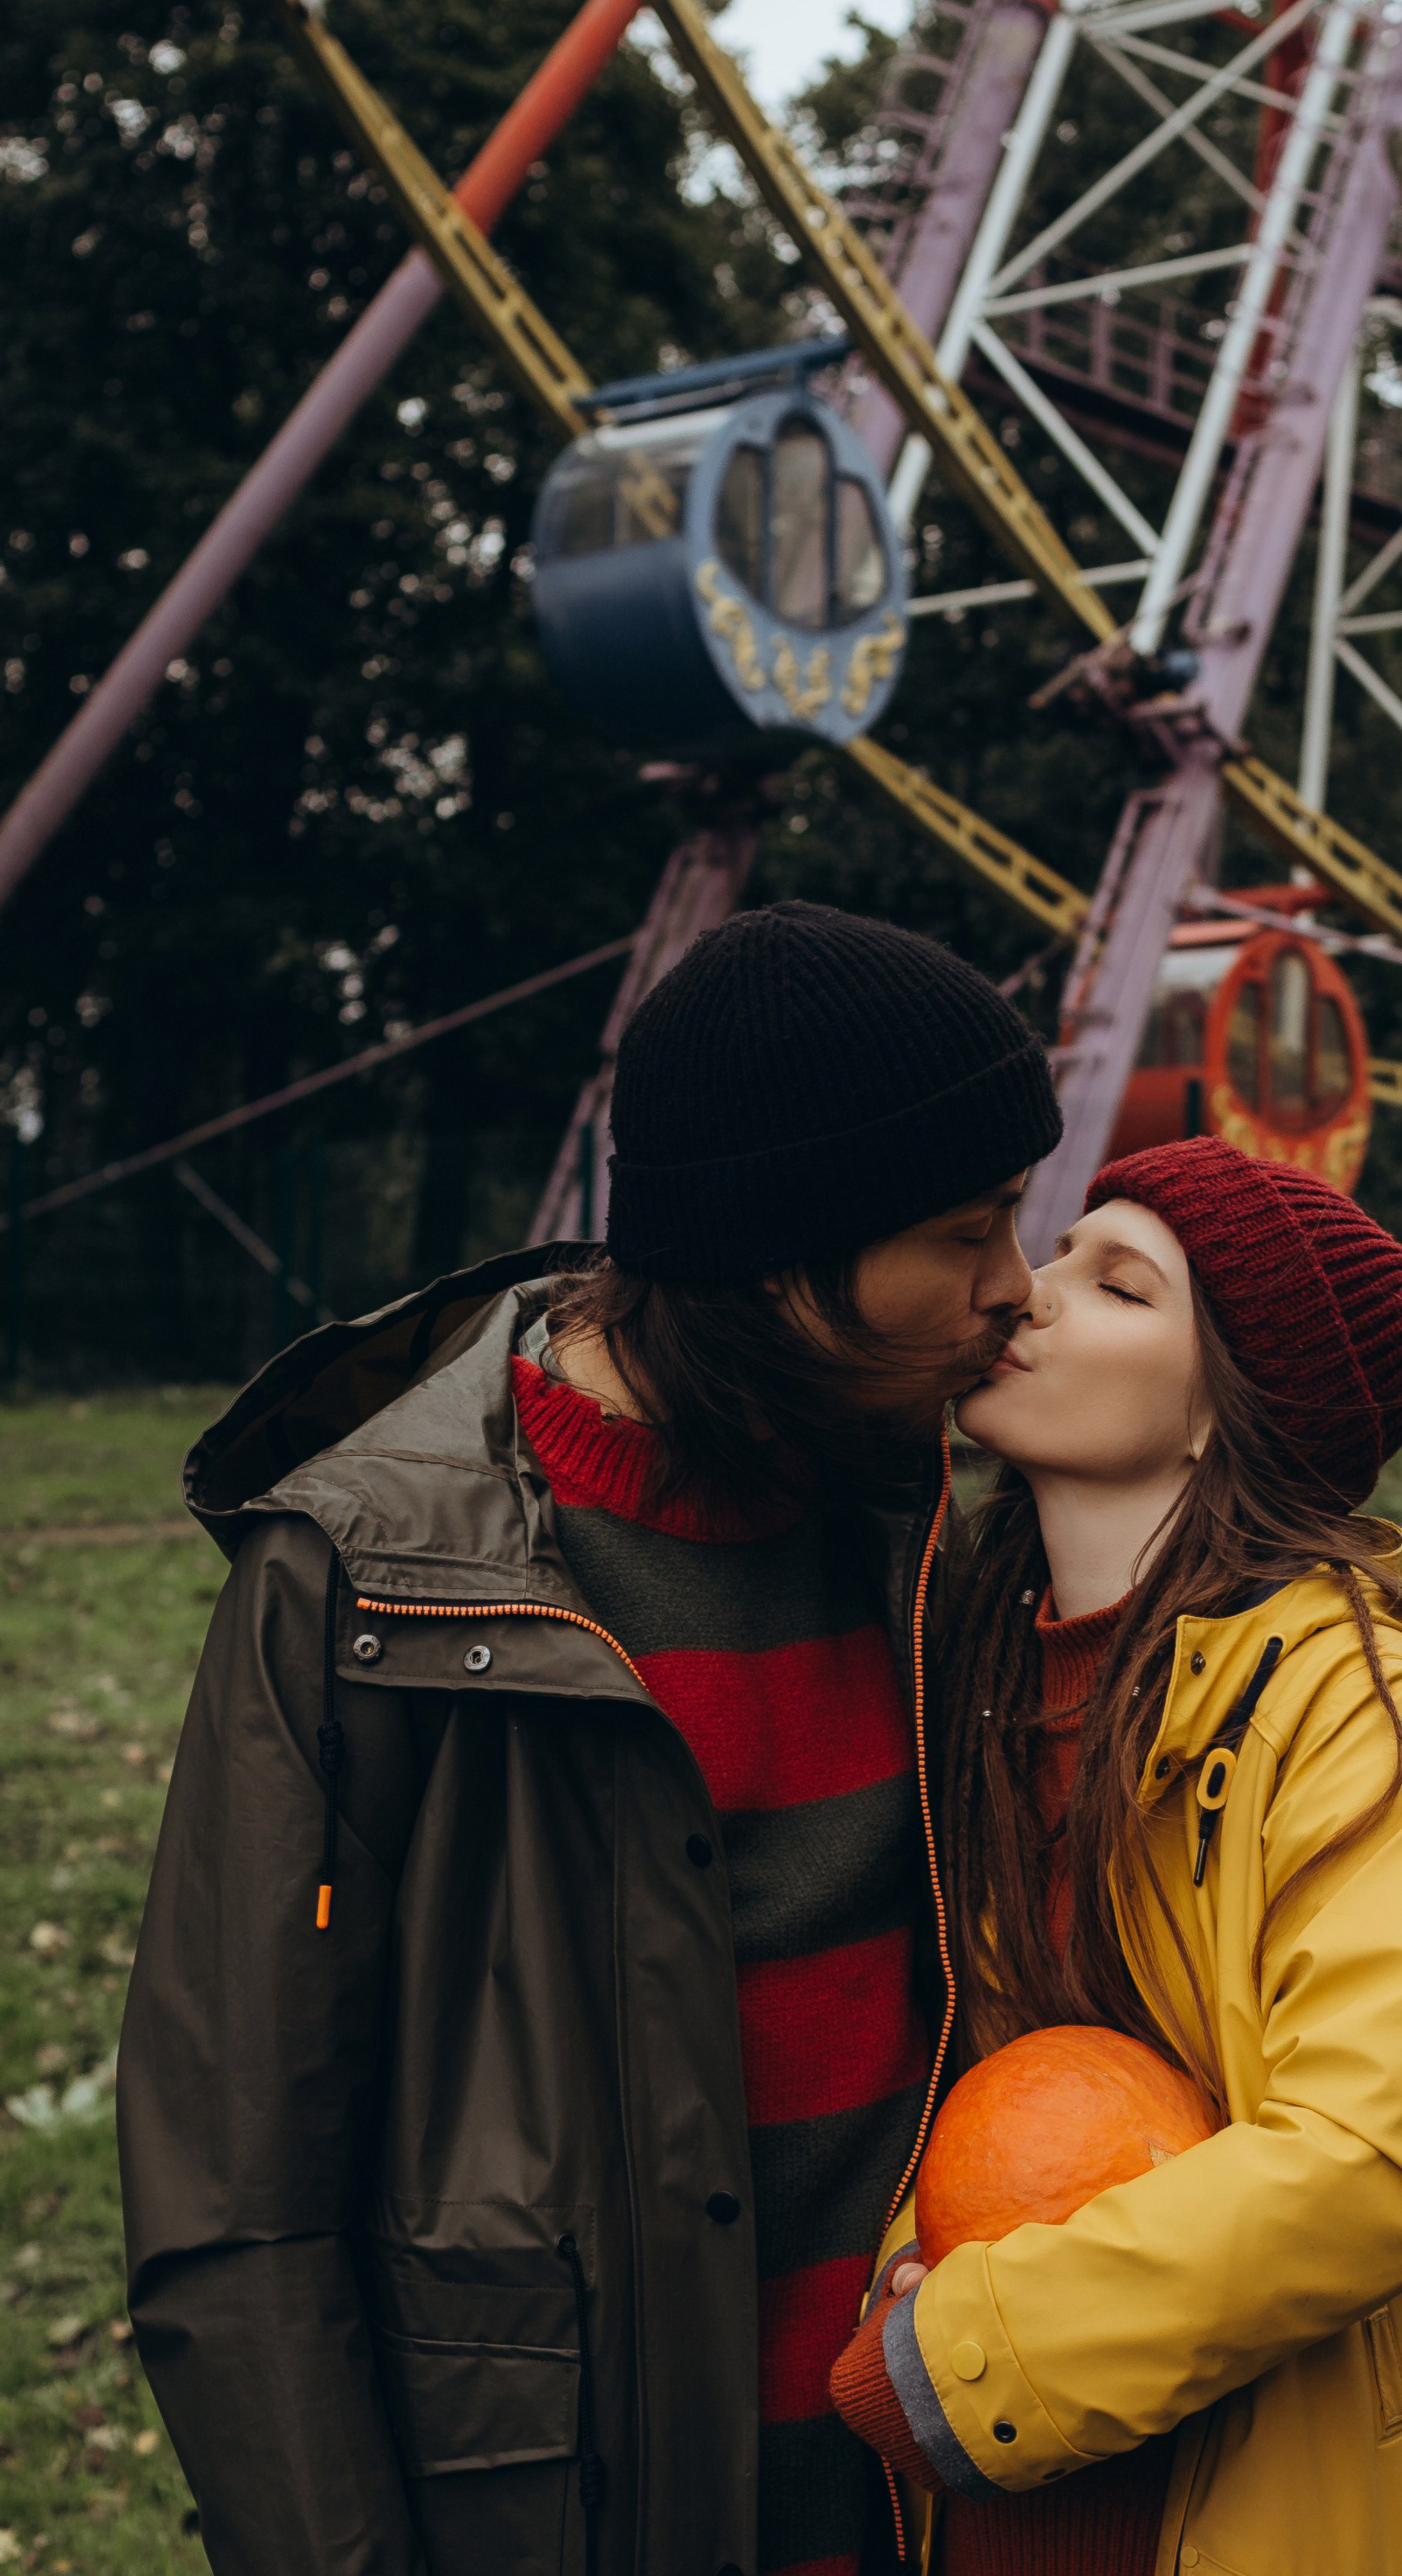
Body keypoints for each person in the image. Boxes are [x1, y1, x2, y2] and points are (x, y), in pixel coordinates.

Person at [117, 902, 1062, 2576]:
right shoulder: (364, 1586)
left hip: (929, 2502)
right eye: (963, 1232)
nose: (1017, 1288)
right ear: (780, 1253)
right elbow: (235, 2209)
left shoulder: (924, 1511)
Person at [832, 1137, 1402, 2576]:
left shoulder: (1345, 1700)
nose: (1025, 1291)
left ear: (1229, 1410)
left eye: (1119, 1285)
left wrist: (957, 2359)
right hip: (983, 2495)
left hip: (1249, 2493)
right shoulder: (949, 1654)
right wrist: (916, 2254)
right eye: (1057, 1247)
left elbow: (1374, 2151)